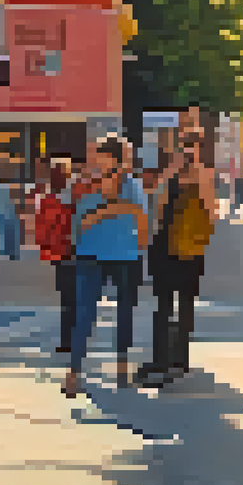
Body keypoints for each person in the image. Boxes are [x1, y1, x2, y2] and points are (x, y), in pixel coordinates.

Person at [65, 136, 149, 396]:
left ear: (114, 158)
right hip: (96, 254)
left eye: (101, 157)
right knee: (86, 313)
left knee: (119, 312)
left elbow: (140, 217)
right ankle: (75, 372)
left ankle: (118, 368)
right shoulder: (90, 185)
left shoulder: (128, 185)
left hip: (121, 255)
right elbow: (78, 224)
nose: (96, 162)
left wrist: (101, 213)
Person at [135, 127, 217, 388]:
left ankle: (179, 360)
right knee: (162, 306)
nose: (189, 149)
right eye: (185, 144)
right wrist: (171, 172)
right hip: (164, 246)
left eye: (194, 144)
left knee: (184, 306)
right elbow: (155, 205)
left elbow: (211, 213)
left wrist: (197, 179)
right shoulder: (169, 174)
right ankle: (160, 359)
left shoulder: (204, 175)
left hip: (190, 249)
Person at [35, 161, 77, 355]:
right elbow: (42, 232)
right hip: (67, 254)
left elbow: (42, 232)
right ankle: (70, 339)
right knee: (70, 300)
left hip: (69, 254)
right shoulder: (59, 199)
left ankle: (69, 340)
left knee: (70, 300)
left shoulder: (61, 199)